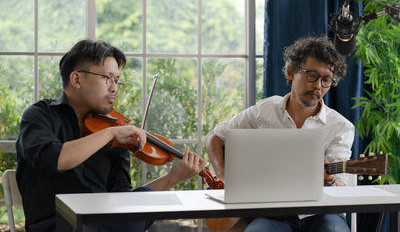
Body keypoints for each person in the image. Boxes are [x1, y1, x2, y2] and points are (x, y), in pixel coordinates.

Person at [15, 39, 207, 232]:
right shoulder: (40, 115)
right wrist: (110, 133)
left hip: (102, 225)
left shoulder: (114, 133)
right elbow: (56, 159)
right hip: (55, 225)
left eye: (116, 80)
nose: (114, 88)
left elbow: (123, 204)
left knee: (132, 214)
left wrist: (172, 178)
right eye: (107, 78)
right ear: (76, 79)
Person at [205, 36, 355, 232]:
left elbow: (342, 186)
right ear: (291, 71)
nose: (318, 86)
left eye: (326, 80)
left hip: (322, 214)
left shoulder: (341, 126)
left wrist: (330, 182)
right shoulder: (264, 111)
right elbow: (214, 137)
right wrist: (223, 179)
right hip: (273, 214)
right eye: (311, 75)